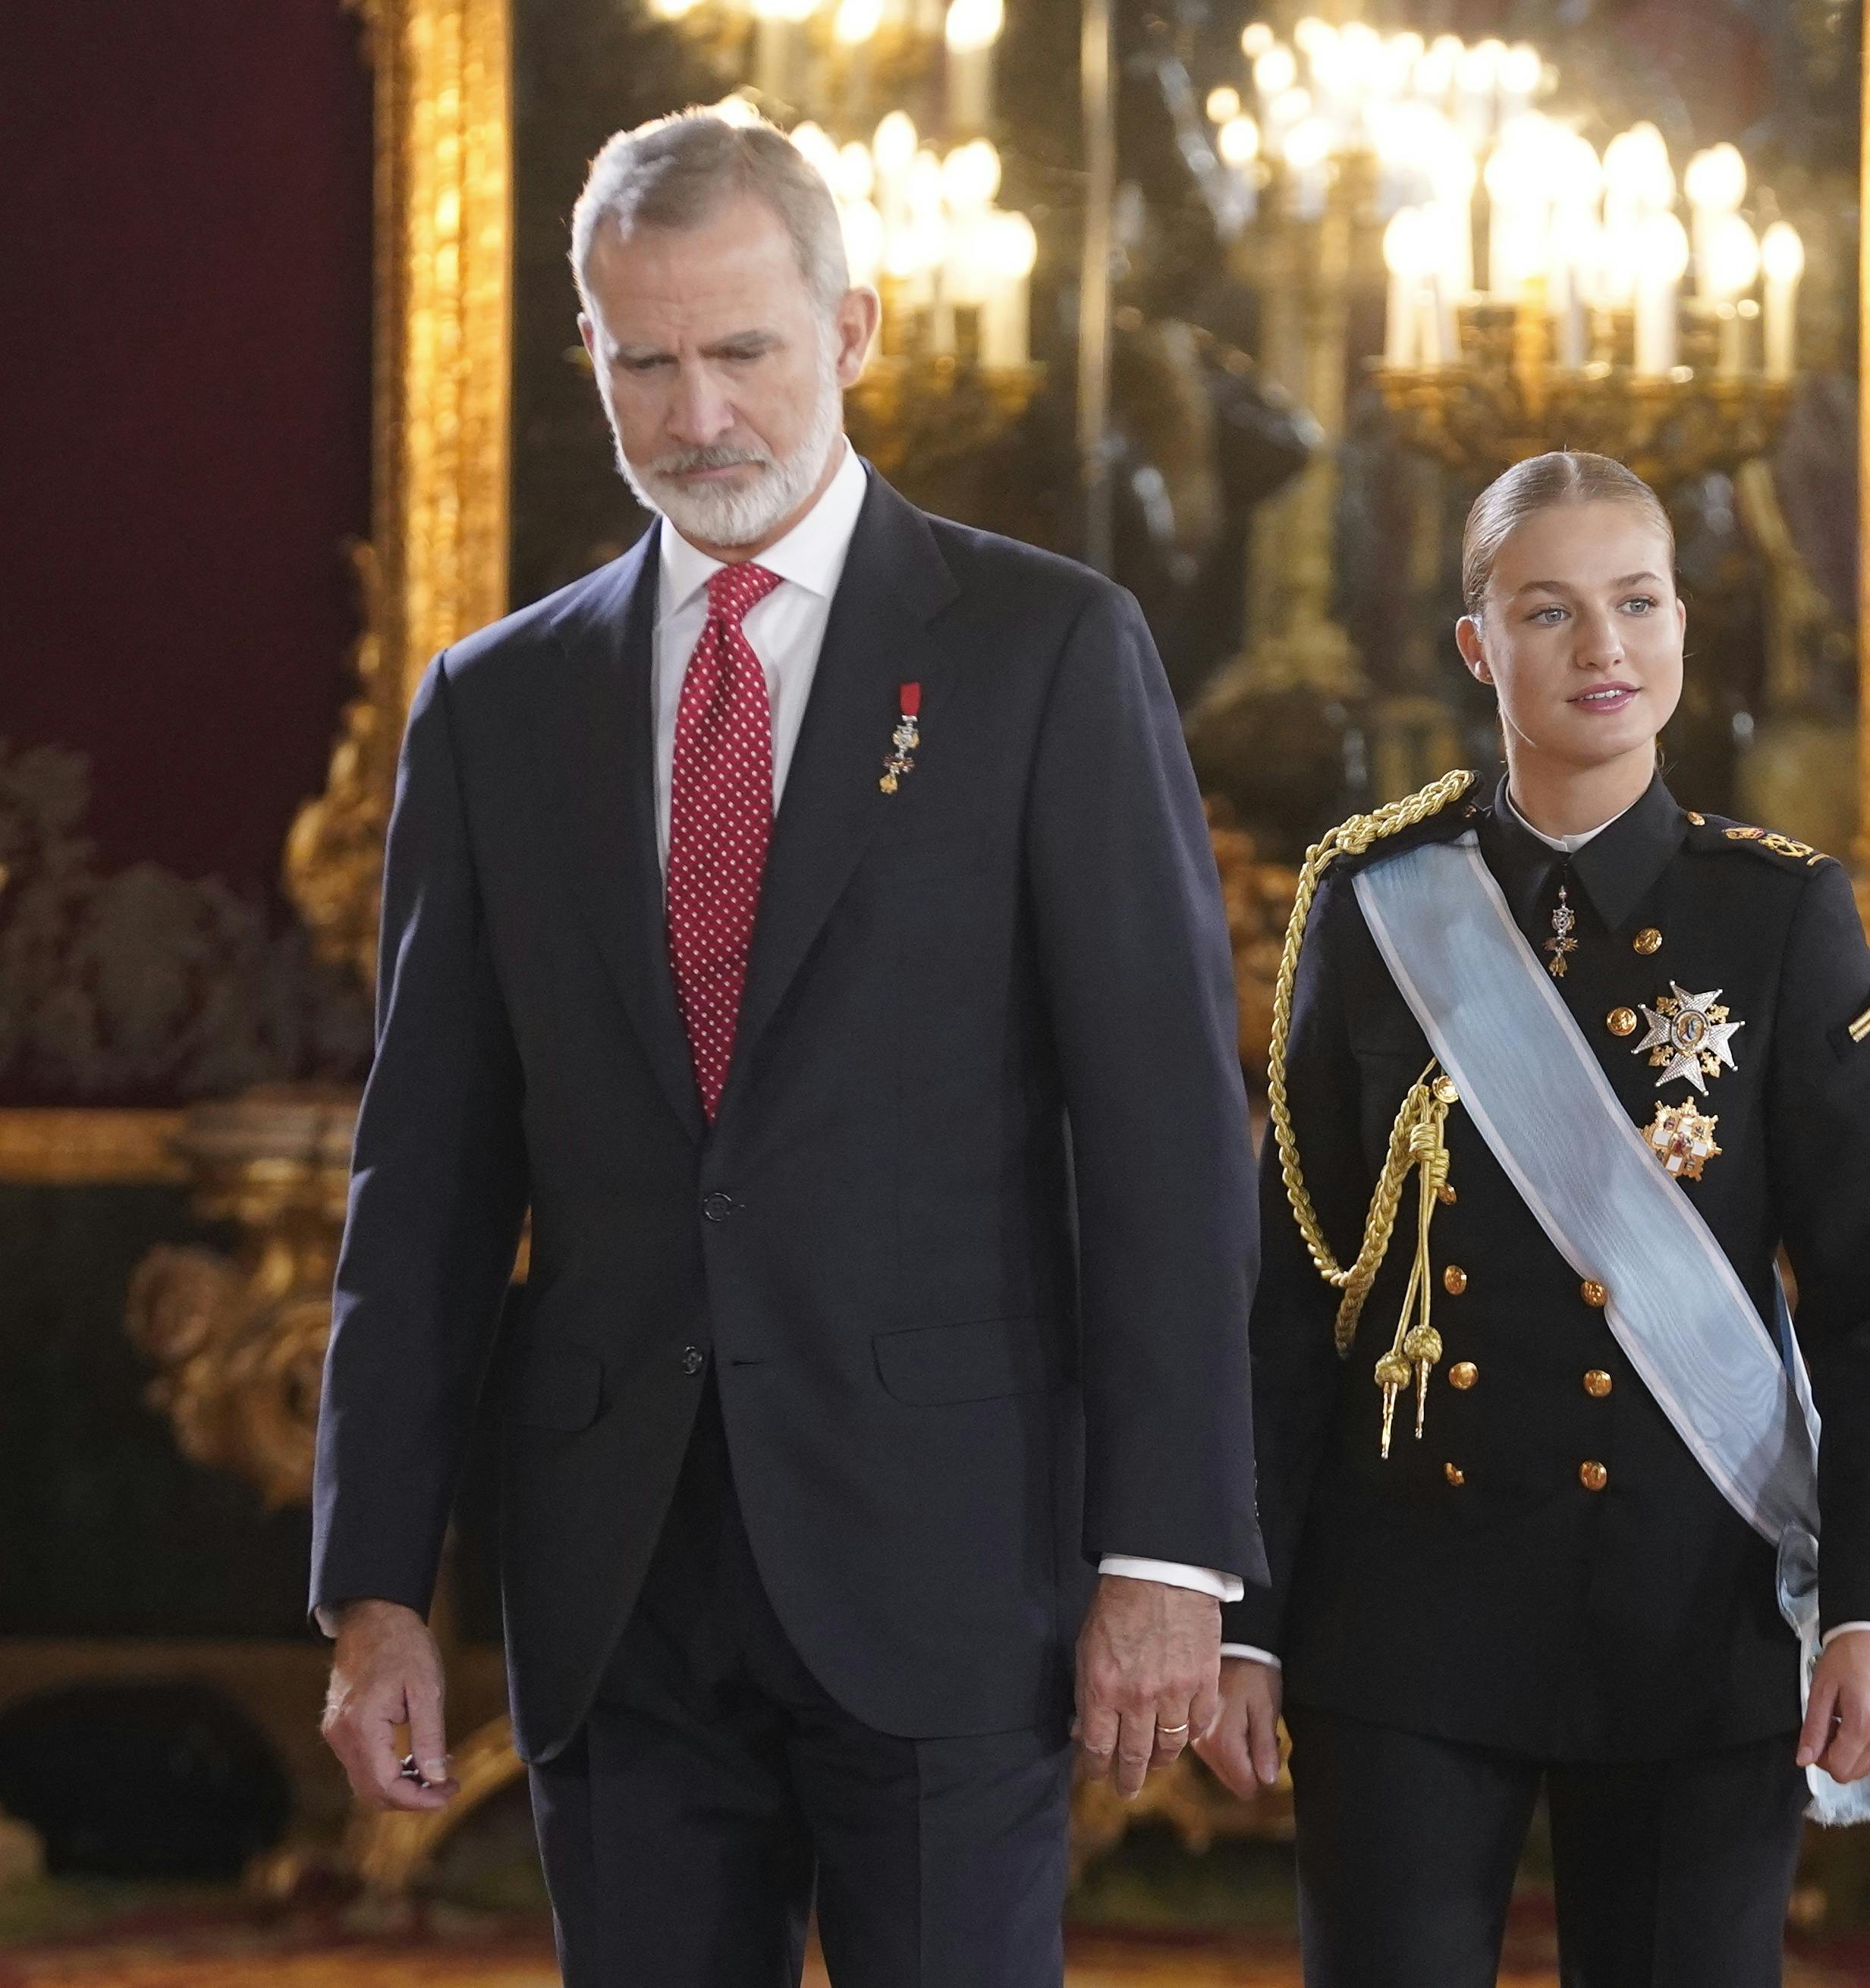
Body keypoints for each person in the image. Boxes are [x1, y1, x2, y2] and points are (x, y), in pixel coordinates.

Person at [307, 110, 1262, 1986]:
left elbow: (1166, 1141)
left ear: (854, 330)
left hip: (947, 1559)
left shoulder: (1045, 652)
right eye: (642, 362)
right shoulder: (495, 708)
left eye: (741, 351)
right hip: (614, 1572)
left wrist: (1169, 1556)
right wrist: (372, 1588)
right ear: (589, 356)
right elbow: (421, 1181)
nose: (698, 415)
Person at [1193, 451, 1870, 1988]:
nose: (1602, 650)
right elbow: (1293, 1292)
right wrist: (1249, 1617)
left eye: (1637, 603)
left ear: (1684, 627)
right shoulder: (1376, 898)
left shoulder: (1777, 913)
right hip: (1408, 1608)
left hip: (1692, 1614)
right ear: (1477, 644)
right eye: (1548, 611)